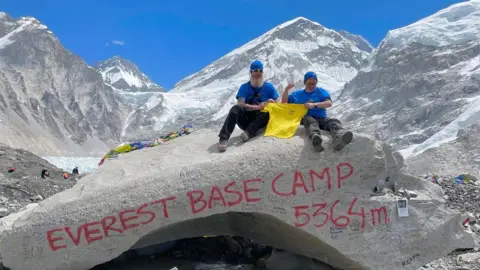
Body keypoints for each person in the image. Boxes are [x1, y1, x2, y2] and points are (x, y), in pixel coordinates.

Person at [282, 71, 353, 152]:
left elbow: (329, 103)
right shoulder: (296, 94)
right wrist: (286, 90)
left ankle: (339, 138)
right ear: (305, 81)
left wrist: (314, 105)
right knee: (311, 121)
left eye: (314, 79)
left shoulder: (321, 91)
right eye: (310, 79)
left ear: (316, 81)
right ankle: (315, 138)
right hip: (306, 118)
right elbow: (284, 103)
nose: (312, 81)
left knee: (333, 122)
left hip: (321, 118)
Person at [218, 60, 280, 152]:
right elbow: (240, 104)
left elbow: (278, 104)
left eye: (260, 71)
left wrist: (273, 102)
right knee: (235, 108)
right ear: (251, 72)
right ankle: (224, 138)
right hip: (246, 119)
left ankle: (248, 133)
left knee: (266, 112)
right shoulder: (244, 87)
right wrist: (257, 107)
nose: (258, 73)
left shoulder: (269, 87)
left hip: (261, 120)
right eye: (255, 70)